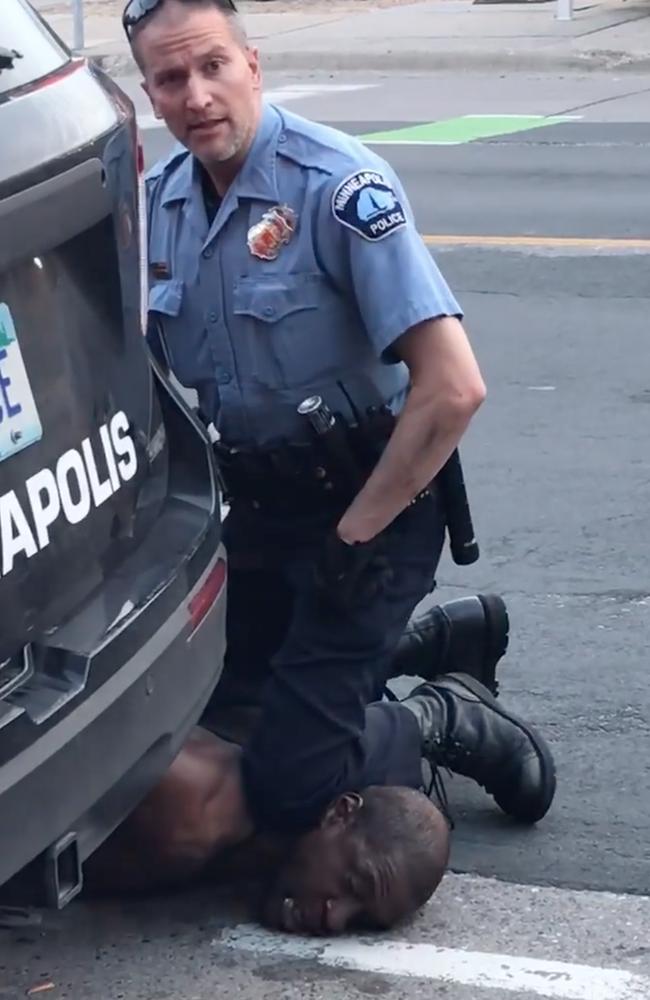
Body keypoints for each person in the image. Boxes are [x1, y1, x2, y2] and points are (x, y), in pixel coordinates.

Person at [121, 0, 556, 854]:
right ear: (151, 93)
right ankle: (420, 641)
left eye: (213, 66)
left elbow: (453, 389)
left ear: (253, 64)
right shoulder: (157, 210)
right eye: (172, 78)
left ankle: (443, 715)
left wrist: (355, 540)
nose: (198, 95)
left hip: (371, 512)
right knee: (206, 717)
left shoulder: (338, 186)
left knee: (289, 785)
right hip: (254, 514)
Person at [85, 669, 553, 936]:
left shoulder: (279, 856)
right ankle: (434, 714)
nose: (335, 917)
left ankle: (412, 650)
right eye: (352, 883)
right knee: (309, 771)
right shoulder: (189, 814)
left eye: (361, 921)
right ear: (338, 812)